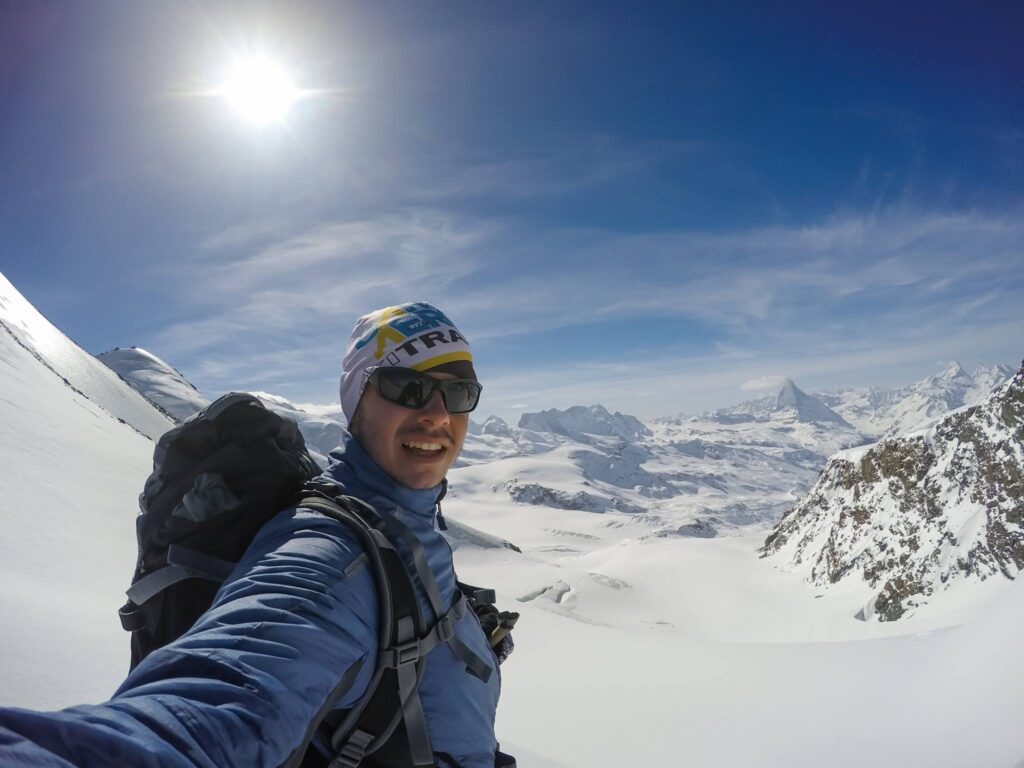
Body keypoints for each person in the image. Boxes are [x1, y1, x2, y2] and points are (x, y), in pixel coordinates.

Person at [0, 302, 510, 767]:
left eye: (458, 393)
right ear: (357, 401)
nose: (439, 414)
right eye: (408, 388)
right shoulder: (329, 558)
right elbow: (213, 710)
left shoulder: (405, 519)